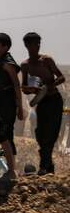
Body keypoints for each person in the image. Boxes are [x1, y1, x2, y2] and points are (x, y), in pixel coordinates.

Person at [20, 32, 65, 175]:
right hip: (41, 102)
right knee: (40, 134)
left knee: (51, 134)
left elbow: (61, 77)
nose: (37, 47)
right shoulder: (25, 65)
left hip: (54, 100)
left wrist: (50, 85)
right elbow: (24, 87)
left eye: (39, 44)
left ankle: (44, 166)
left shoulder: (46, 60)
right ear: (27, 45)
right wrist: (32, 89)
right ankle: (48, 165)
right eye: (34, 44)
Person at [0, 33, 24, 177]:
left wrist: (20, 107)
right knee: (7, 135)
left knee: (3, 133)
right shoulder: (1, 62)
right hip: (2, 100)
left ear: (5, 47)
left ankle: (11, 171)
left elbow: (16, 85)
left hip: (7, 101)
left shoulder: (7, 62)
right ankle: (11, 169)